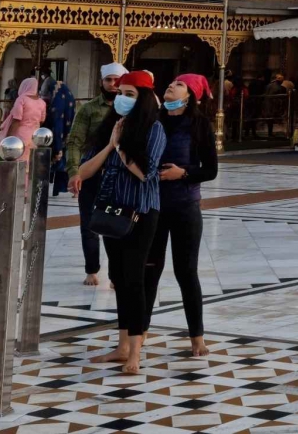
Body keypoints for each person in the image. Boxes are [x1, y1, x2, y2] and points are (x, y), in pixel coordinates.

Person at [71, 70, 165, 376]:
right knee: (120, 278)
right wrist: (110, 145)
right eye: (120, 93)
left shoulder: (154, 130)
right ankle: (122, 345)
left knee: (135, 279)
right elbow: (85, 171)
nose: (122, 99)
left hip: (140, 212)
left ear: (144, 99)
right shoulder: (112, 126)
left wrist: (122, 146)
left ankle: (135, 352)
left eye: (130, 95)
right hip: (112, 211)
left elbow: (145, 173)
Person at [144, 74, 218, 357]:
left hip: (185, 205)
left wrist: (183, 173)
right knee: (150, 269)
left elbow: (210, 170)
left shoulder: (199, 125)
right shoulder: (154, 120)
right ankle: (141, 331)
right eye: (171, 82)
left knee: (186, 272)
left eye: (179, 84)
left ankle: (197, 338)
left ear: (190, 96)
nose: (171, 85)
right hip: (153, 205)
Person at [67, 62, 124, 286]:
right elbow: (74, 141)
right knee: (89, 223)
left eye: (117, 81)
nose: (112, 85)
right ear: (101, 81)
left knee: (114, 223)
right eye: (108, 80)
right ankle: (92, 269)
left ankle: (115, 273)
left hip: (118, 174)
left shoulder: (128, 108)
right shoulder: (89, 109)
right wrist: (74, 172)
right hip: (92, 172)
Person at [47, 78, 76, 195]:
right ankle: (60, 188)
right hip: (66, 131)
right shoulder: (68, 95)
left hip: (56, 132)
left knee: (58, 158)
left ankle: (59, 187)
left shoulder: (58, 99)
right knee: (63, 159)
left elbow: (56, 116)